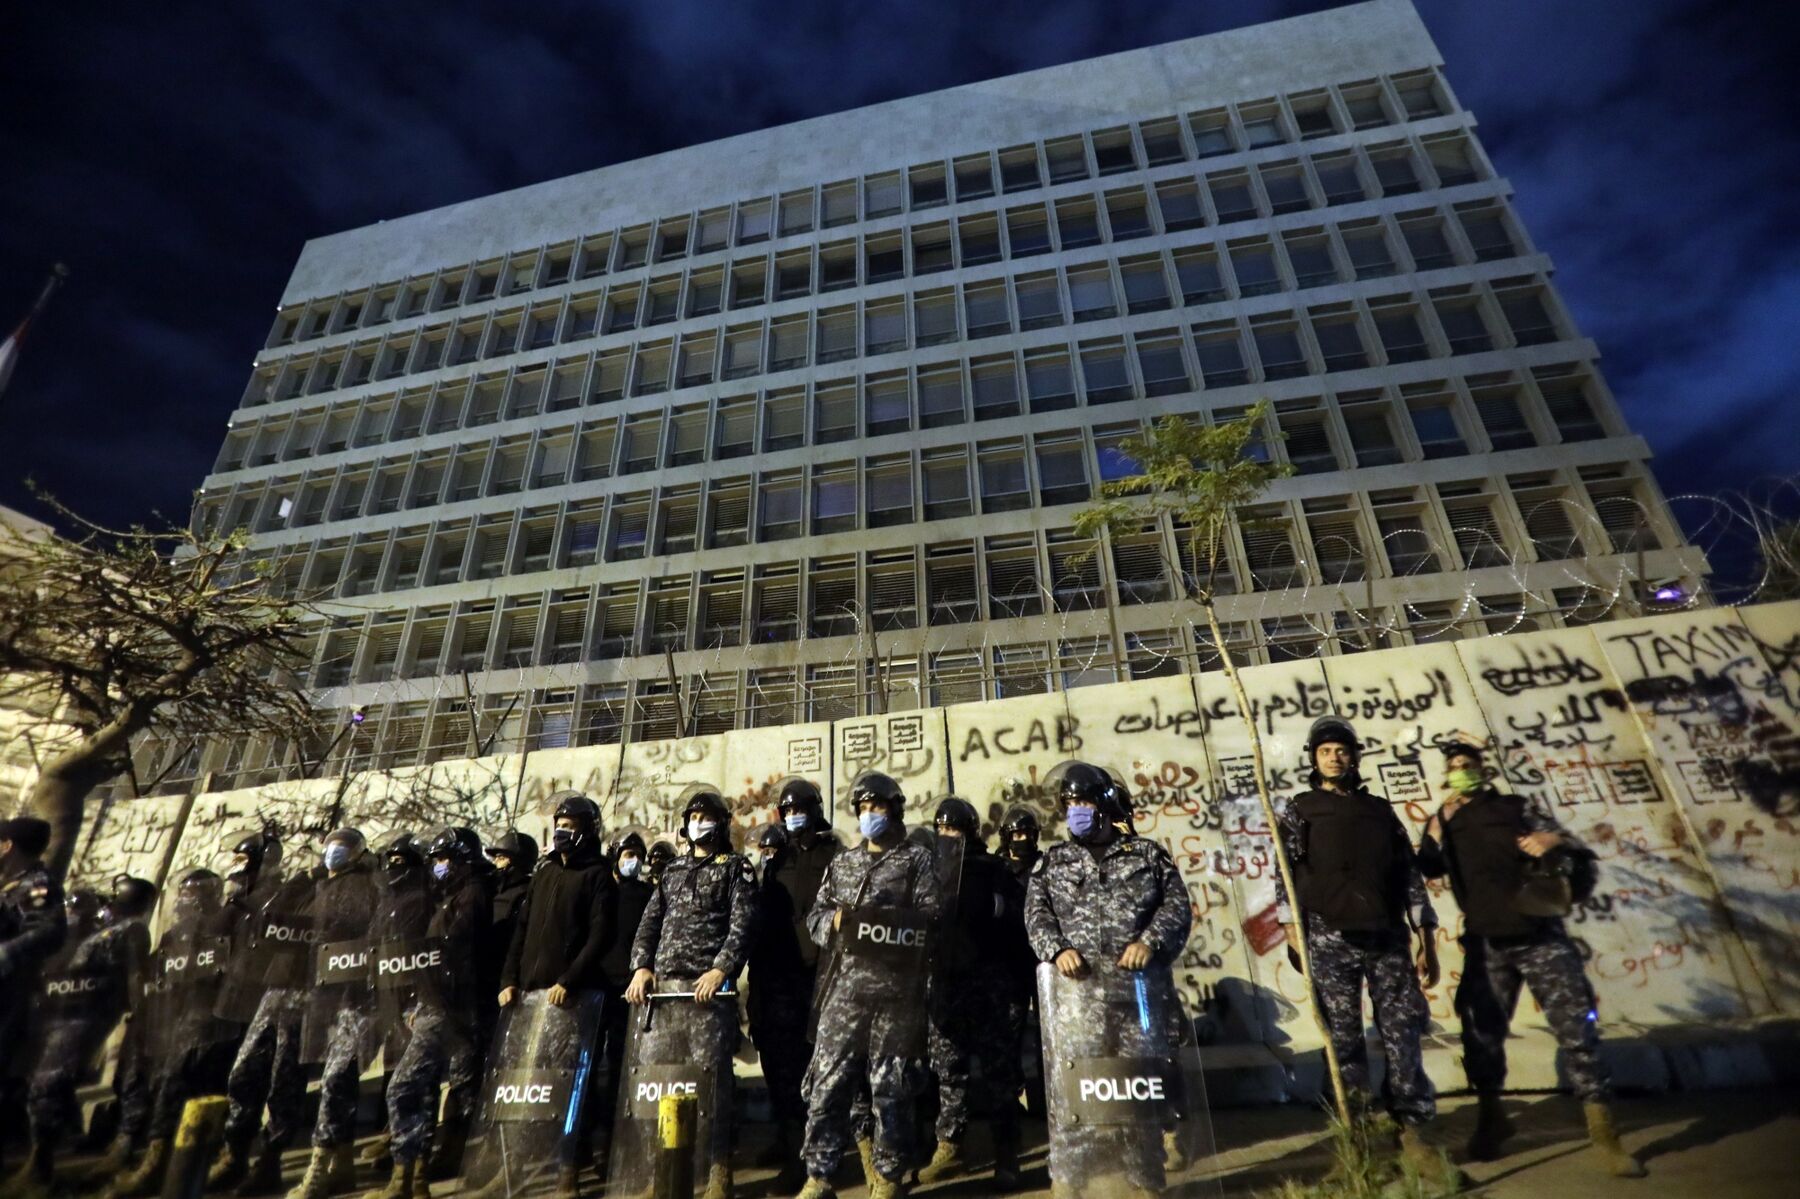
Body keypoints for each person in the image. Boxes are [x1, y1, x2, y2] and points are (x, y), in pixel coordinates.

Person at [1418, 736, 1644, 1177]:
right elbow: (1427, 867)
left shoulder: (1517, 807)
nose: (1462, 770)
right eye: (1455, 765)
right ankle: (1492, 1118)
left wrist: (1551, 837)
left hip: (1540, 936)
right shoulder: (1444, 820)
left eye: (1469, 763)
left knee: (1577, 1030)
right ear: (1447, 776)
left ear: (1484, 770)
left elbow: (1574, 848)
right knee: (1480, 1037)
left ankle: (1605, 1135)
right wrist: (1436, 827)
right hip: (1486, 943)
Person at [1273, 715, 1458, 1190]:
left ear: (1354, 756)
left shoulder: (1381, 812)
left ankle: (1414, 1135)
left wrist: (1426, 935)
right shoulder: (1299, 810)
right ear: (1314, 760)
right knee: (1344, 1044)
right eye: (1325, 751)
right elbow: (1284, 875)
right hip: (1329, 938)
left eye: (1342, 749)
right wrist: (1293, 932)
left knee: (1402, 1037)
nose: (1335, 756)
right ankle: (1354, 1141)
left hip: (1387, 939)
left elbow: (1408, 878)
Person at [1023, 762, 1193, 1198]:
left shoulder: (1147, 855)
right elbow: (1036, 915)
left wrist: (1150, 942)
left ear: (1104, 804)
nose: (1076, 811)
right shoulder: (1052, 862)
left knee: (1141, 1097)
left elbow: (1176, 907)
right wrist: (1057, 950)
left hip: (1138, 1001)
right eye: (1070, 804)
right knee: (1074, 1099)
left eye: (1084, 802)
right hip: (1078, 1005)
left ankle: (1144, 1184)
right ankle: (1071, 1183)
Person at [795, 771, 942, 1199]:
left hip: (897, 994)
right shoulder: (843, 863)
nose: (869, 816)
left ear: (894, 810)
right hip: (843, 991)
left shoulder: (916, 860)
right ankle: (819, 1176)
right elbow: (816, 917)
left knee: (891, 1089)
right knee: (828, 1083)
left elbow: (932, 918)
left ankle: (889, 1176)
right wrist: (834, 921)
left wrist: (889, 920)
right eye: (862, 809)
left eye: (876, 807)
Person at [621, 786, 757, 1199]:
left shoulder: (737, 868)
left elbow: (743, 923)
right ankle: (660, 1171)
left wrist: (721, 969)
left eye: (707, 816)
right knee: (658, 1084)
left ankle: (718, 1170)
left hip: (705, 994)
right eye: (693, 816)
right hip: (662, 995)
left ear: (721, 823)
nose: (699, 823)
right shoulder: (674, 871)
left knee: (710, 1084)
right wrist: (641, 967)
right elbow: (649, 923)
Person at [478, 790, 614, 1199]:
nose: (561, 834)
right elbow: (522, 931)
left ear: (588, 831)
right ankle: (512, 1165)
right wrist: (509, 979)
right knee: (525, 1085)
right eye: (558, 827)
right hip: (530, 999)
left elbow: (600, 935)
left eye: (570, 828)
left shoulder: (597, 875)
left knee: (569, 1087)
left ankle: (567, 1171)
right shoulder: (545, 872)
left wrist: (569, 980)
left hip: (571, 999)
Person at [9, 874, 155, 1197]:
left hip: (86, 1015)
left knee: (48, 1083)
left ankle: (41, 1169)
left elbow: (134, 975)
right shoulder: (107, 928)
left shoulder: (132, 931)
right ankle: (46, 1155)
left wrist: (137, 1010)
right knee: (46, 1084)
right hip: (69, 1010)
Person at [373, 827, 493, 1198]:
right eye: (436, 860)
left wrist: (431, 996)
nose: (438, 867)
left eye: (444, 859)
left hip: (450, 1008)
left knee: (403, 1086)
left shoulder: (472, 896)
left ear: (461, 860)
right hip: (434, 1005)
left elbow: (450, 952)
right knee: (423, 1089)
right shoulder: (449, 896)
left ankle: (409, 1172)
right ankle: (411, 1177)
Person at [106, 869, 239, 1198]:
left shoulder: (225, 925)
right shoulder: (175, 933)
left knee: (182, 1087)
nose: (184, 901)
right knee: (167, 1085)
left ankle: (164, 1165)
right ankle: (156, 1158)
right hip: (175, 1021)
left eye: (192, 895)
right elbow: (163, 973)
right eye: (182, 894)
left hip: (210, 1022)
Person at [918, 797, 1028, 1190]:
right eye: (942, 830)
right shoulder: (929, 870)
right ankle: (949, 1146)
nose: (947, 836)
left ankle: (1007, 1154)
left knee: (999, 1075)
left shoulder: (993, 868)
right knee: (948, 1070)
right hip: (947, 983)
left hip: (991, 986)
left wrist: (997, 907)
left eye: (954, 830)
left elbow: (1020, 916)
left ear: (970, 831)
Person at [210, 832, 317, 1195]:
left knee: (282, 1080)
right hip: (241, 998)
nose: (237, 866)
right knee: (242, 1075)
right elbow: (217, 935)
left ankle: (269, 1160)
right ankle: (234, 1153)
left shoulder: (288, 892)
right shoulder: (238, 898)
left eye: (244, 859)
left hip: (283, 995)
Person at [748, 779, 841, 1190]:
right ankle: (788, 1142)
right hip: (777, 976)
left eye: (798, 809)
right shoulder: (776, 859)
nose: (792, 817)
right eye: (786, 812)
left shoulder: (834, 856)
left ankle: (809, 1158)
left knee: (814, 1070)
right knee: (779, 1065)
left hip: (818, 977)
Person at [291, 827, 382, 1199]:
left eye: (343, 848)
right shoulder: (318, 886)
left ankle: (320, 1165)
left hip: (354, 995)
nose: (334, 853)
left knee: (335, 1080)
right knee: (336, 1080)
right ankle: (341, 1164)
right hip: (322, 997)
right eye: (331, 847)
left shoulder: (366, 887)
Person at [353, 833, 436, 1178]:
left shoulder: (423, 899)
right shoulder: (387, 900)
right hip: (387, 995)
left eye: (402, 862)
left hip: (412, 997)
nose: (394, 868)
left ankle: (416, 1156)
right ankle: (392, 1137)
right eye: (392, 861)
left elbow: (425, 950)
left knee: (417, 1078)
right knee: (393, 1069)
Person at [0, 816, 67, 1179]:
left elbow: (51, 931)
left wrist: (5, 956)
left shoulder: (36, 886)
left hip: (11, 999)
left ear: (7, 845)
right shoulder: (9, 886)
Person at [593, 830, 653, 1177]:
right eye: (627, 854)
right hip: (597, 987)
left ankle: (618, 1142)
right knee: (589, 1070)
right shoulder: (602, 891)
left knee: (622, 1066)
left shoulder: (646, 893)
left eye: (637, 855)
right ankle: (590, 1140)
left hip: (630, 989)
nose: (633, 861)